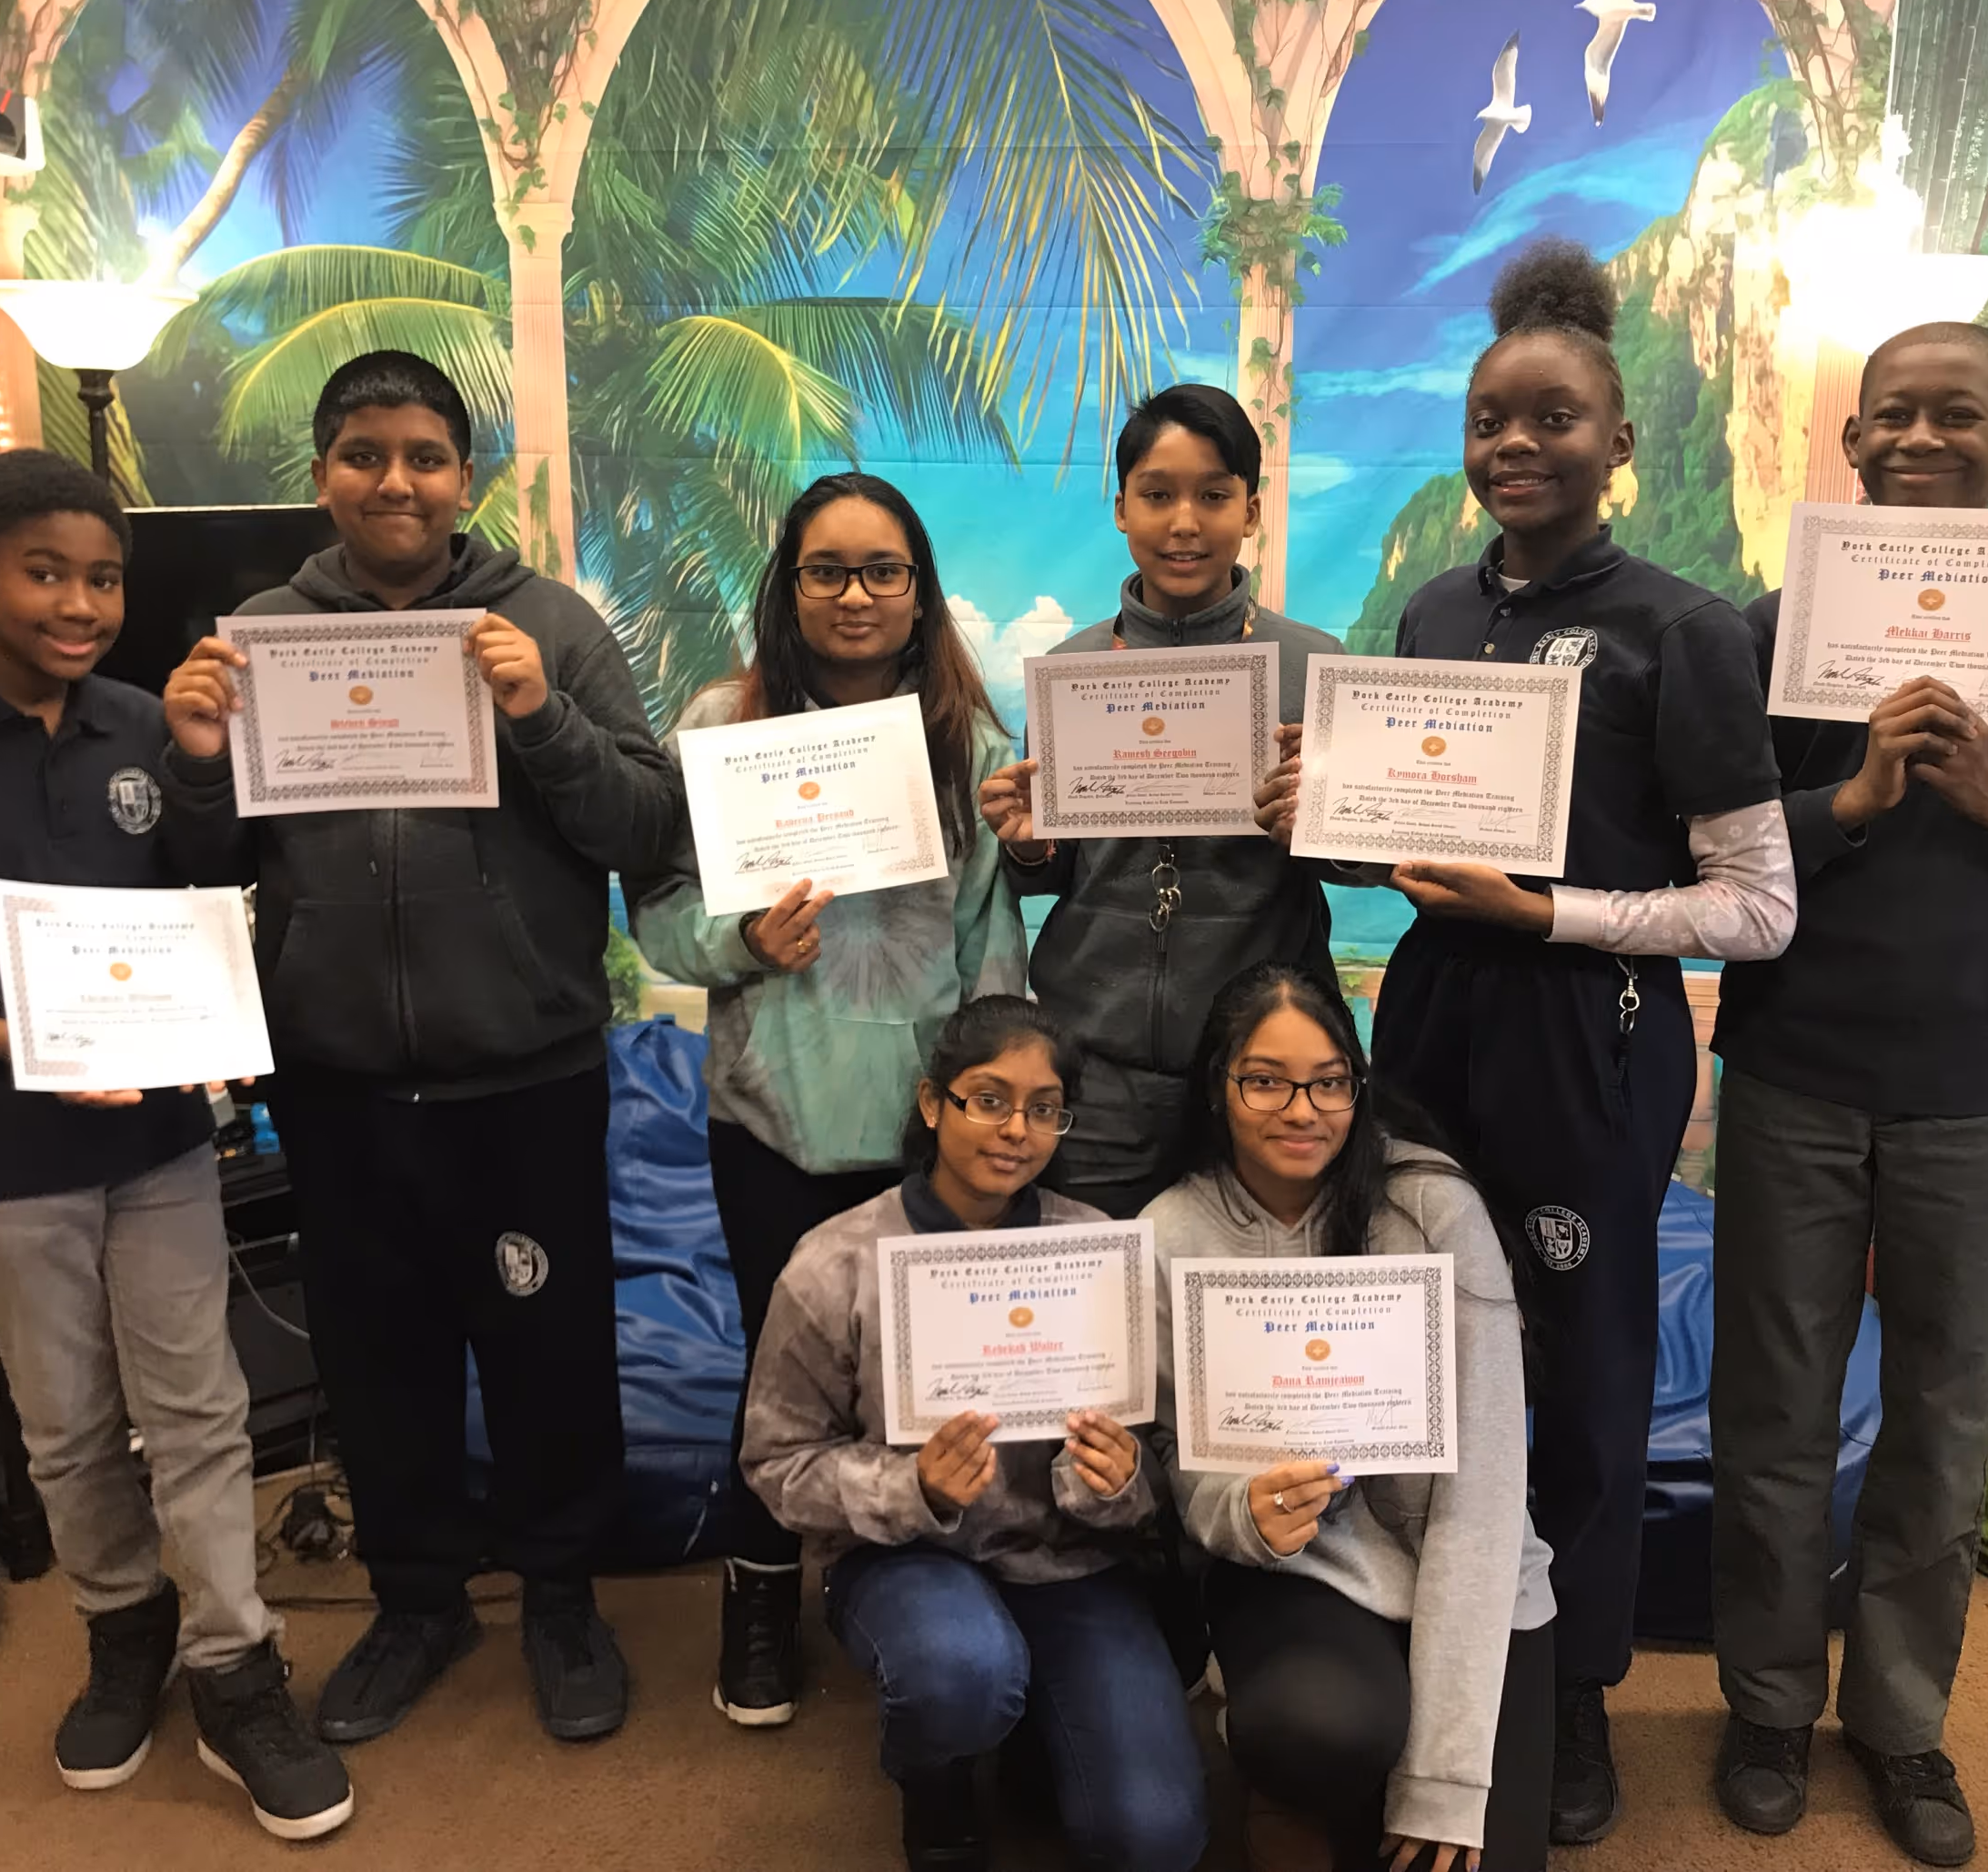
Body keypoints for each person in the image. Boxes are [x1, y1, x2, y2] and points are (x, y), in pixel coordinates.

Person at [0, 450, 351, 1839]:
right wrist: (10, 1041)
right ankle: (121, 1626)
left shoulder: (148, 728)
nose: (79, 603)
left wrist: (210, 998)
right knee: (68, 1425)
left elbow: (210, 901)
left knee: (199, 1403)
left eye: (103, 578)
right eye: (46, 572)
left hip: (156, 1140)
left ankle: (232, 1659)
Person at [1309, 238, 1795, 1844]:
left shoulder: (1688, 631)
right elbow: (1396, 826)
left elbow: (1754, 909)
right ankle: (1414, 1636)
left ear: (1619, 440)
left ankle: (1573, 1686)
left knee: (1577, 1369)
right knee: (1414, 1327)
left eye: (1555, 418)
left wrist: (1556, 915)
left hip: (1594, 1026)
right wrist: (1317, 813)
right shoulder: (1435, 607)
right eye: (1488, 418)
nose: (1516, 445)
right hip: (1435, 1010)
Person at [158, 351, 686, 1747]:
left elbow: (641, 827)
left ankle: (564, 1594)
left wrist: (537, 715)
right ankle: (418, 1596)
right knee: (376, 1351)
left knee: (548, 1346)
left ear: (467, 476)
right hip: (335, 1083)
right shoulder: (262, 633)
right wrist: (201, 753)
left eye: (424, 455)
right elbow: (209, 864)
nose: (395, 480)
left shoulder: (552, 625)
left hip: (525, 1073)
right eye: (363, 453)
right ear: (323, 473)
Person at [1706, 323, 1988, 1867]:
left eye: (1954, 414)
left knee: (1939, 1422)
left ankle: (1899, 1725)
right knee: (1771, 1416)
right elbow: (1711, 854)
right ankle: (1767, 1703)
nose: (1920, 436)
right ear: (1848, 447)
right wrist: (1844, 801)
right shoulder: (1772, 638)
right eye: (1890, 414)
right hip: (1790, 1076)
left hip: (1976, 1092)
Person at [625, 471, 1028, 1728]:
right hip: (773, 1120)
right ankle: (759, 1588)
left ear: (918, 595)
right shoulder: (716, 725)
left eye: (881, 572)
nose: (854, 596)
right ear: (787, 589)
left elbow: (992, 942)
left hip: (924, 1125)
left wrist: (984, 1103)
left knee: (933, 1366)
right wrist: (742, 937)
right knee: (775, 1372)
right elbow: (659, 925)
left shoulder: (971, 735)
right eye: (826, 571)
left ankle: (930, 1579)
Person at [740, 997, 1208, 1872]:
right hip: (906, 1561)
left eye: (1043, 1108)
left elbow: (1165, 1458)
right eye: (988, 1099)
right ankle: (937, 1768)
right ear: (931, 1104)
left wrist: (1119, 1480)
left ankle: (1032, 1731)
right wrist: (908, 1488)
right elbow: (776, 1464)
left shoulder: (1101, 1251)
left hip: (1072, 1562)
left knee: (1155, 1838)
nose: (1016, 1131)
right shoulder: (834, 1263)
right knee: (958, 1677)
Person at [1149, 962, 1554, 1872]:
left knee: (1476, 1845)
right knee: (1315, 1729)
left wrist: (1443, 1780)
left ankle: (1368, 1785)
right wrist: (1237, 1512)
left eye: (1328, 1080)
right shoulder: (1170, 1232)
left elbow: (1483, 1499)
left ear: (1357, 1086)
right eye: (1264, 1078)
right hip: (1300, 1574)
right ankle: (1291, 1784)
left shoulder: (1433, 1207)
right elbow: (1176, 1456)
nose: (1301, 1108)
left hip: (1469, 1570)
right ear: (1217, 1086)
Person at [979, 383, 1368, 1218]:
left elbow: (1371, 860)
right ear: (1120, 508)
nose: (1184, 522)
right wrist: (1024, 844)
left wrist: (1322, 824)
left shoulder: (1313, 665)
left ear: (1252, 510)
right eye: (1157, 495)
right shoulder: (1073, 668)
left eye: (1213, 495)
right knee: (1105, 1310)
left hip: (1264, 1068)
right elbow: (1053, 874)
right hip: (1099, 1069)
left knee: (1252, 1314)